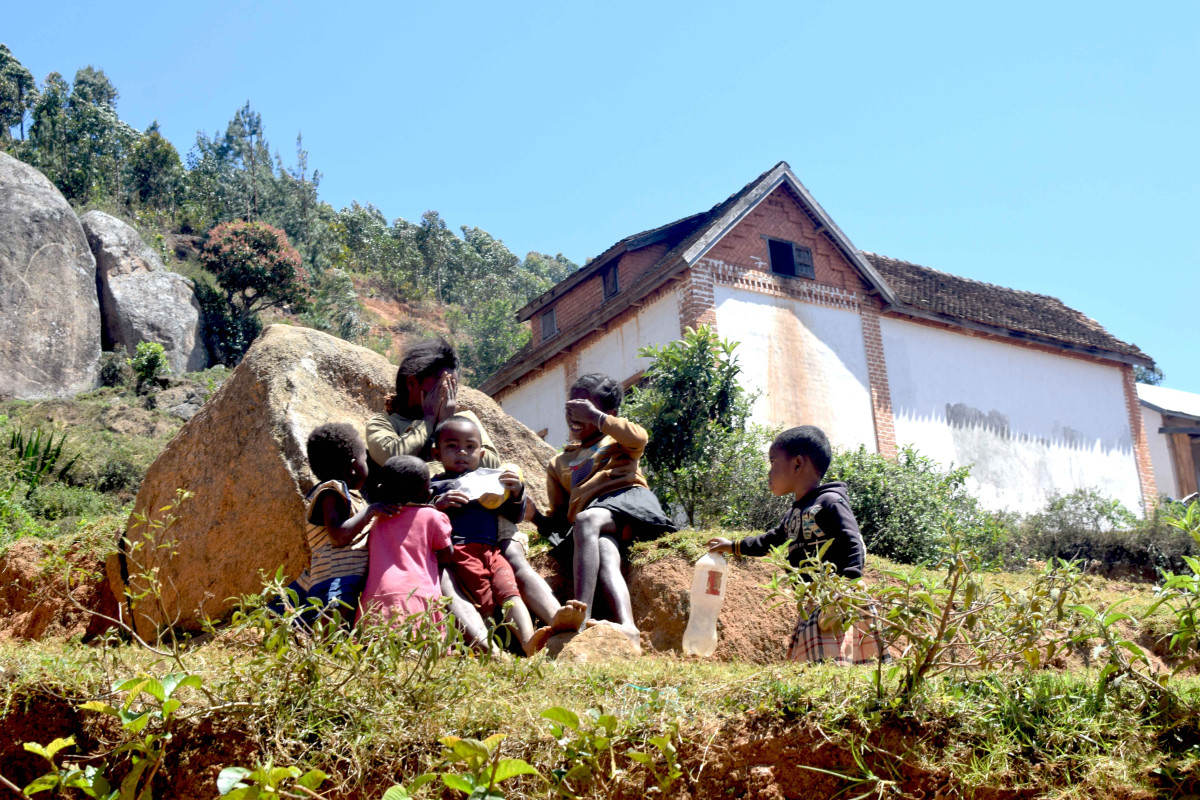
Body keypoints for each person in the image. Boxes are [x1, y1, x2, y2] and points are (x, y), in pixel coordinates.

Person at [365, 337, 583, 642]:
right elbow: (392, 457)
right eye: (438, 388)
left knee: (513, 558)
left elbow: (489, 462)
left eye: (452, 387)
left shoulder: (465, 420)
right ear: (412, 383)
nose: (447, 395)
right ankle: (487, 643)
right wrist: (429, 420)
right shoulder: (383, 424)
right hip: (435, 519)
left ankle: (558, 618)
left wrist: (449, 421)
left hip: (485, 513)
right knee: (446, 580)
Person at [707, 425, 885, 664]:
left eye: (773, 462)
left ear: (798, 464)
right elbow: (769, 542)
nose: (769, 471)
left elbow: (852, 541)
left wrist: (846, 588)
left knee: (839, 665)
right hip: (811, 602)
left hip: (838, 600)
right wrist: (733, 546)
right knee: (814, 666)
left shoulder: (830, 502)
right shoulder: (793, 515)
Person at [528, 373, 677, 651]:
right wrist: (534, 516)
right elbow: (560, 518)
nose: (575, 416)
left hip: (630, 504)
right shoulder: (559, 463)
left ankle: (580, 616)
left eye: (584, 409)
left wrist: (596, 418)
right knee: (605, 550)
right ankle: (628, 628)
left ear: (610, 413)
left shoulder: (617, 439)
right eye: (571, 408)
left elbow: (640, 437)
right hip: (600, 524)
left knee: (586, 520)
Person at [431, 415, 565, 655]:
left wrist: (517, 492)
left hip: (492, 552)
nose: (462, 452)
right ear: (436, 454)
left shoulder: (490, 480)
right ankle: (490, 647)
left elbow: (514, 515)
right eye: (452, 446)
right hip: (458, 552)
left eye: (470, 446)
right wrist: (436, 504)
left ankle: (529, 641)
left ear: (482, 453)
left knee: (509, 592)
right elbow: (418, 515)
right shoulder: (435, 486)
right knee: (480, 601)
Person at [288, 423, 397, 628]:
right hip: (335, 577)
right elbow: (338, 536)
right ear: (353, 467)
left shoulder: (354, 497)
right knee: (333, 624)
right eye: (365, 459)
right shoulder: (331, 492)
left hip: (349, 575)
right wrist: (371, 511)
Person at [358, 455, 453, 626]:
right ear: (428, 494)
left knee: (375, 642)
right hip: (419, 594)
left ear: (380, 491)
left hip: (375, 596)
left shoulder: (377, 520)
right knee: (420, 641)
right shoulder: (433, 517)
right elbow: (446, 554)